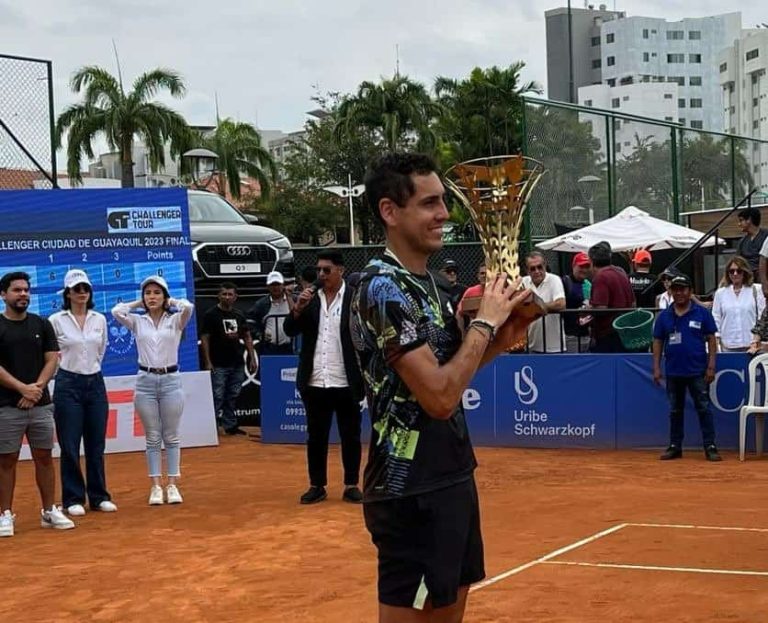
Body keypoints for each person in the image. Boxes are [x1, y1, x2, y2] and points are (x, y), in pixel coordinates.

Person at [351, 153, 532, 622]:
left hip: (451, 475)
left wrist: (504, 334)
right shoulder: (379, 287)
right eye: (430, 203)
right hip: (408, 490)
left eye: (444, 202)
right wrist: (486, 324)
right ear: (390, 212)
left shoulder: (429, 285)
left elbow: (452, 371)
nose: (444, 214)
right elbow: (438, 397)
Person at [283, 250, 364, 506]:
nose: (321, 275)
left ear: (341, 270)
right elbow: (289, 329)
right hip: (315, 379)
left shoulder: (354, 299)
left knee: (350, 435)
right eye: (319, 270)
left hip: (346, 379)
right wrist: (297, 309)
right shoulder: (310, 299)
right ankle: (316, 485)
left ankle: (351, 484)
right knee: (316, 436)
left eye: (326, 270)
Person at [0, 271, 74, 537]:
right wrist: (22, 388)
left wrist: (36, 389)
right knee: (6, 460)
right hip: (7, 406)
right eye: (17, 290)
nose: (23, 295)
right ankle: (5, 514)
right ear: (4, 294)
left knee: (44, 457)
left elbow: (52, 359)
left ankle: (48, 510)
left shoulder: (41, 324)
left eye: (26, 290)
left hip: (40, 404)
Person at [111, 275, 194, 505]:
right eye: (148, 293)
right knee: (152, 437)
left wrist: (171, 301)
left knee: (171, 435)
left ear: (165, 295)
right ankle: (156, 486)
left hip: (171, 380)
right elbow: (116, 311)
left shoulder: (176, 320)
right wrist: (138, 304)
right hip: (145, 381)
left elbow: (189, 306)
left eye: (157, 293)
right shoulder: (138, 322)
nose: (152, 297)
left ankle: (172, 485)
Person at [49, 269, 117, 517]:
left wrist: (90, 371)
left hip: (95, 383)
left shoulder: (99, 319)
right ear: (67, 293)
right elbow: (52, 355)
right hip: (67, 383)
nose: (82, 293)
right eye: (76, 289)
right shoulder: (56, 320)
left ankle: (99, 496)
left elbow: (101, 350)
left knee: (96, 444)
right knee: (69, 445)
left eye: (85, 289)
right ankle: (73, 498)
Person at [652, 274, 721, 462]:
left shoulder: (702, 313)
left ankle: (710, 445)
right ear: (671, 292)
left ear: (690, 291)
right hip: (673, 371)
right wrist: (656, 367)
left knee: (704, 408)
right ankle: (675, 446)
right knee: (675, 410)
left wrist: (711, 365)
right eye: (675, 289)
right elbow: (657, 341)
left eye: (683, 289)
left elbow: (711, 339)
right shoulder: (664, 316)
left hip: (697, 370)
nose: (679, 293)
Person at [200, 282, 256, 436]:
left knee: (233, 394)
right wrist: (208, 361)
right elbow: (205, 338)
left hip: (237, 361)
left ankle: (230, 425)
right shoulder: (210, 315)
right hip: (218, 363)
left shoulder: (239, 314)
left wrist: (252, 357)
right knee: (217, 395)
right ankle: (210, 426)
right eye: (224, 294)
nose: (227, 297)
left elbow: (247, 336)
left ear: (235, 297)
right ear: (219, 295)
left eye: (230, 294)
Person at [588, 241, 635, 353]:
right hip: (625, 331)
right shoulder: (621, 272)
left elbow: (601, 308)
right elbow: (634, 303)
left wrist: (587, 309)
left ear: (591, 261)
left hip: (608, 335)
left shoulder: (601, 277)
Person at [712, 256, 765, 353]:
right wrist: (716, 339)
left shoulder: (756, 290)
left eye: (739, 271)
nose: (735, 274)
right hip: (728, 345)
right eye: (731, 271)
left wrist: (757, 338)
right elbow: (716, 318)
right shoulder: (720, 293)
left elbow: (762, 316)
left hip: (752, 345)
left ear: (745, 272)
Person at [522, 252, 566, 353]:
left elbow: (561, 303)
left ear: (545, 266)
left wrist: (536, 307)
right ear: (527, 270)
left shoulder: (554, 280)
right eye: (532, 268)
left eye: (539, 267)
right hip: (530, 346)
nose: (537, 271)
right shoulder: (523, 282)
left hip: (554, 347)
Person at [247, 271, 295, 356]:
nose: (275, 287)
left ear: (283, 285)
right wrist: (260, 334)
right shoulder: (261, 304)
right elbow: (250, 322)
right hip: (269, 348)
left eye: (278, 284)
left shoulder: (293, 300)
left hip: (291, 347)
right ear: (268, 286)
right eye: (272, 285)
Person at [562, 252, 592, 353]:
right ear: (574, 266)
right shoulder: (565, 282)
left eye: (587, 266)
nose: (584, 270)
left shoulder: (589, 284)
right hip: (571, 335)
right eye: (582, 266)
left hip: (587, 334)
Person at [736, 207, 767, 278]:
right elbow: (737, 261)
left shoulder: (766, 236)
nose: (739, 224)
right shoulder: (742, 241)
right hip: (746, 277)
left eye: (741, 220)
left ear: (749, 220)